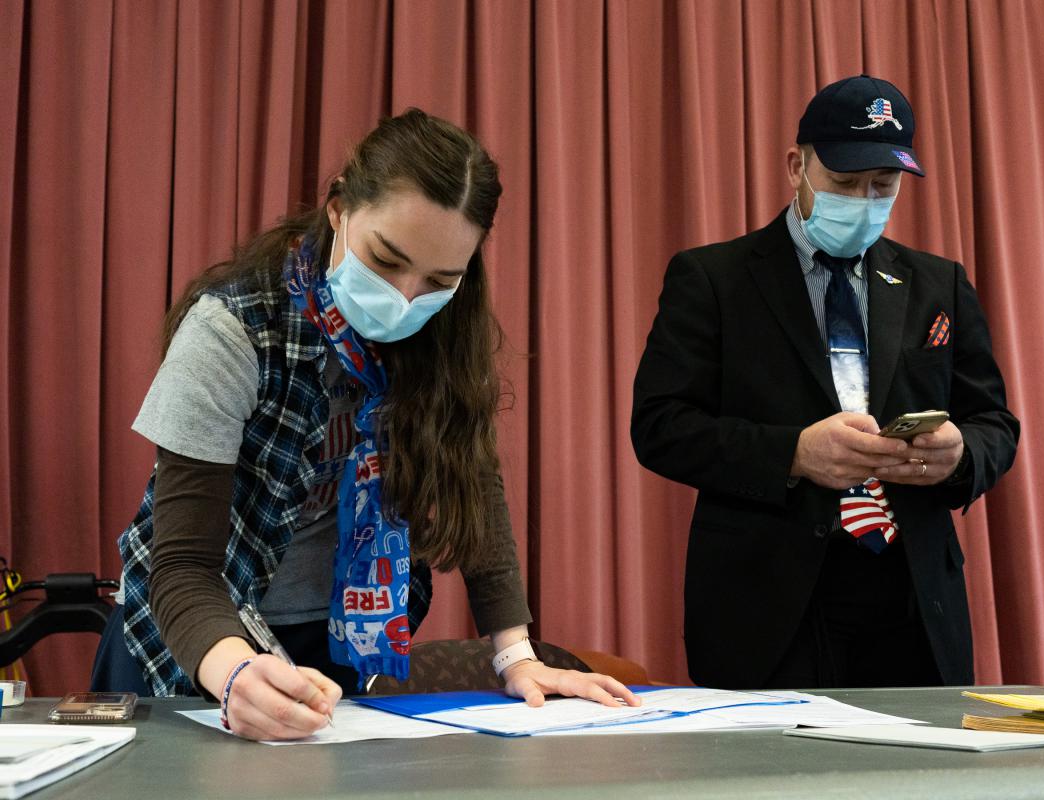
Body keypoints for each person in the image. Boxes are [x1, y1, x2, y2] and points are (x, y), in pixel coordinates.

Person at [93, 108, 638, 740]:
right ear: (338, 210)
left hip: (330, 645)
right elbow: (183, 566)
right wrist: (238, 673)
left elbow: (474, 487)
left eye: (439, 279)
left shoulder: (440, 339)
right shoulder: (231, 330)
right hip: (193, 638)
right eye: (385, 260)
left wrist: (516, 655)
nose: (405, 297)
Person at [631, 75, 1019, 690]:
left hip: (912, 596)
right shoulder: (713, 279)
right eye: (843, 183)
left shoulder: (937, 283)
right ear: (796, 166)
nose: (864, 201)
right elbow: (659, 427)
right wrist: (794, 453)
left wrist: (962, 455)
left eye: (882, 187)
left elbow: (994, 422)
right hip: (767, 602)